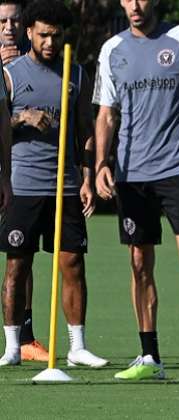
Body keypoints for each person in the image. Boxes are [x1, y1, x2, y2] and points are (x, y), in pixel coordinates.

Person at [93, 0, 179, 380]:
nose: (134, 6)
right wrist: (101, 163)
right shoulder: (112, 50)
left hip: (176, 168)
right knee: (139, 263)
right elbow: (106, 113)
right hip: (131, 174)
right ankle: (149, 356)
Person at [0, 0, 108, 368]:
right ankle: (13, 346)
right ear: (29, 32)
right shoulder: (9, 73)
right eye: (43, 34)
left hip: (65, 186)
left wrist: (88, 176)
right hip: (23, 185)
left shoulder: (75, 74)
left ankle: (77, 346)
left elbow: (86, 133)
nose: (49, 42)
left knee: (73, 263)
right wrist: (22, 118)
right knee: (18, 265)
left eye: (56, 36)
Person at [0, 0, 46, 363]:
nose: (9, 28)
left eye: (15, 20)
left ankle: (25, 336)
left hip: (18, 175)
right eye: (3, 21)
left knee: (21, 256)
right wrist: (20, 119)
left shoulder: (31, 66)